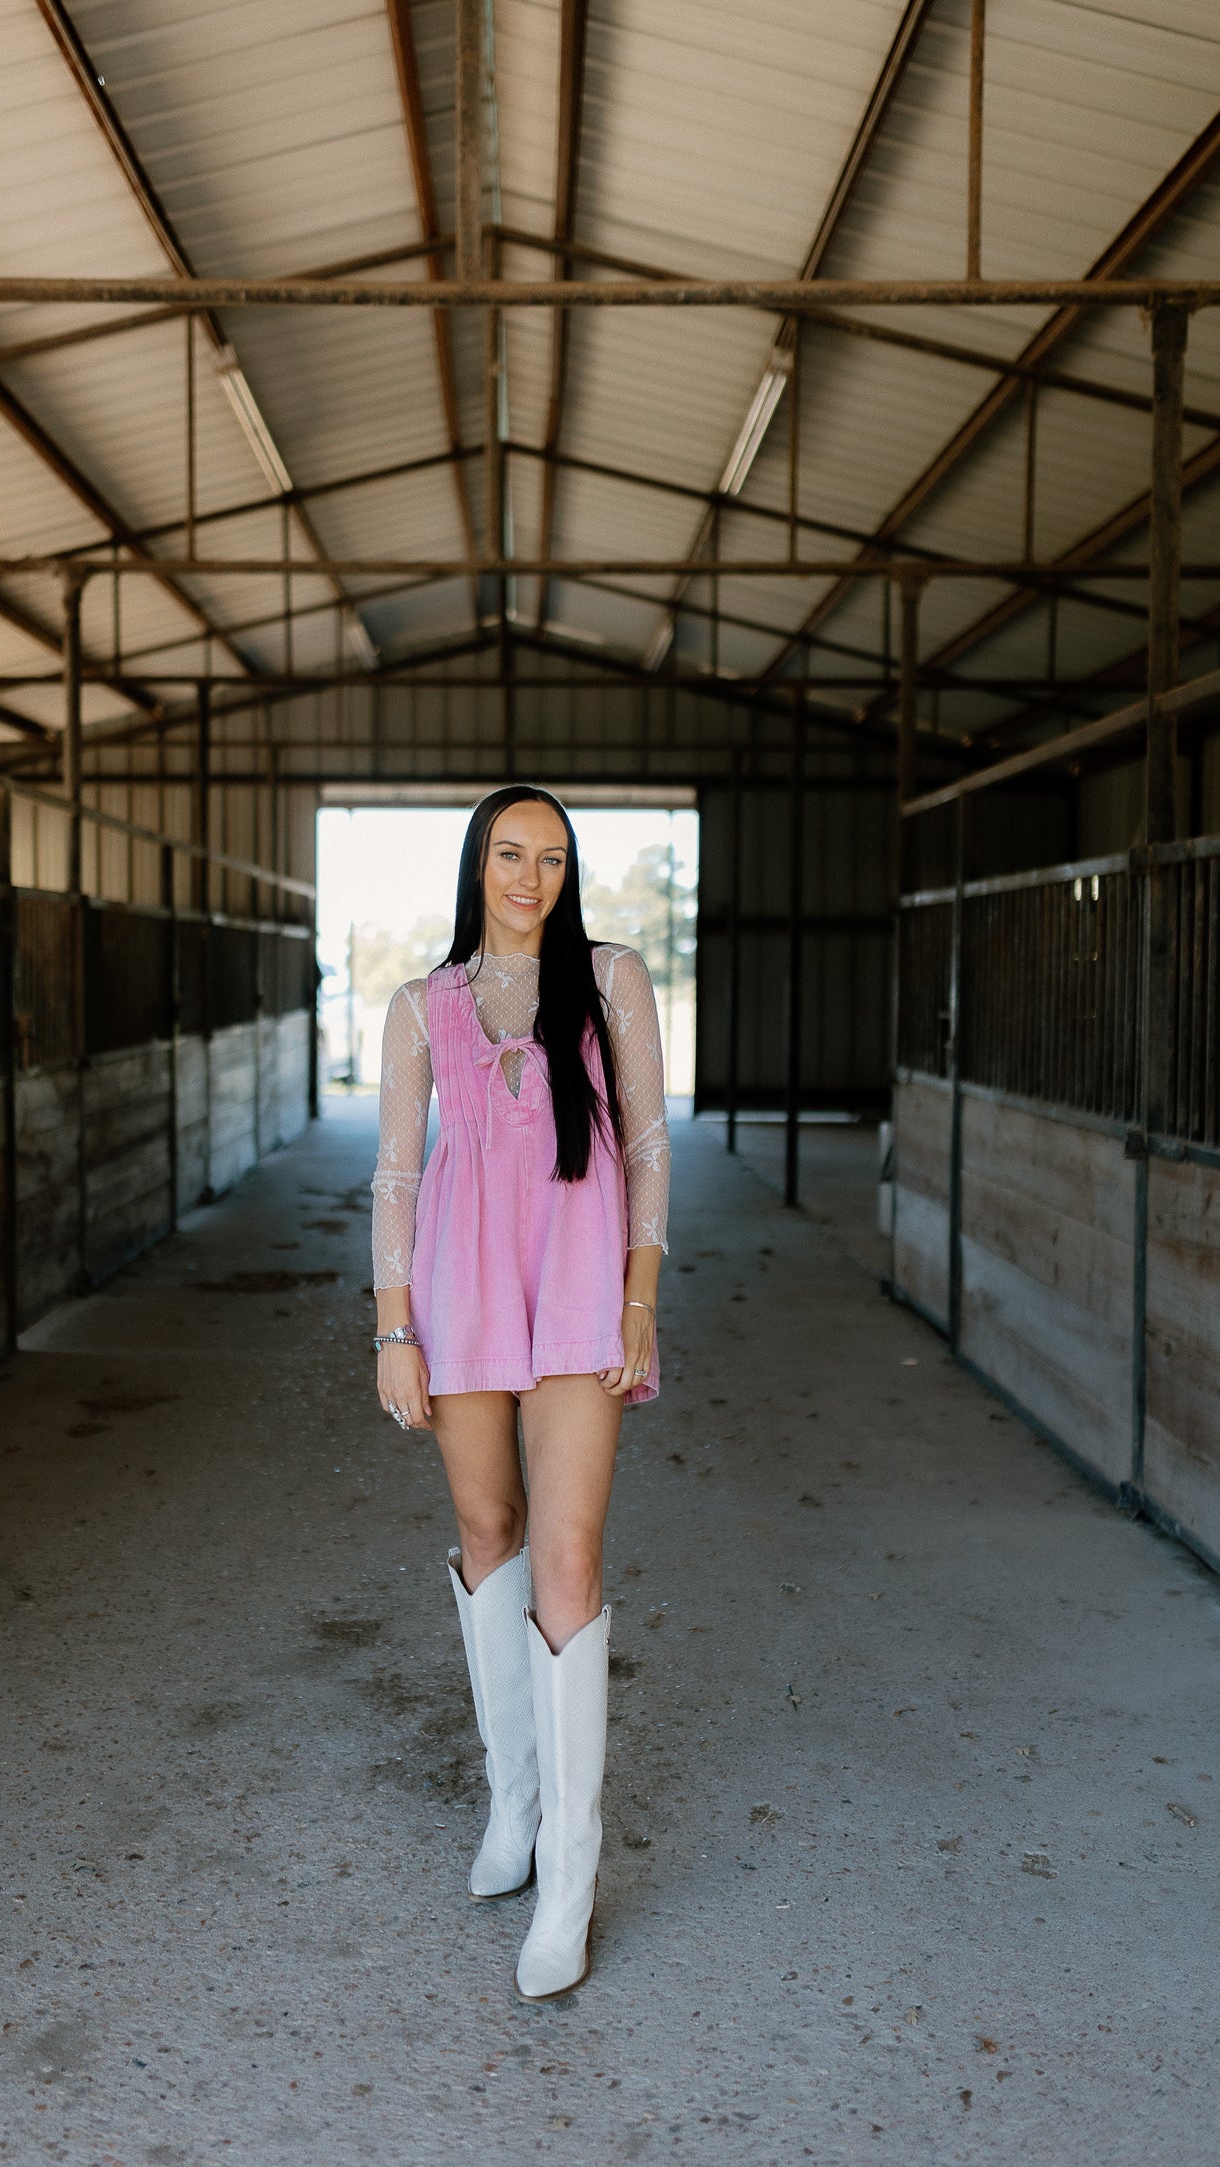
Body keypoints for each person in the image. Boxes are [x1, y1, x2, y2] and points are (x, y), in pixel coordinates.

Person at [370, 785, 671, 2001]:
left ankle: (570, 1881)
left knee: (565, 1558)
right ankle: (517, 1805)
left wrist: (640, 1303)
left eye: (551, 856)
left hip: (581, 1298)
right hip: (459, 1296)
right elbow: (395, 1175)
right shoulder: (420, 1006)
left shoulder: (611, 980)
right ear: (475, 863)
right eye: (508, 852)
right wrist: (392, 1327)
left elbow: (647, 1147)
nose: (528, 874)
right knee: (486, 1533)